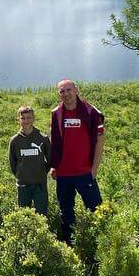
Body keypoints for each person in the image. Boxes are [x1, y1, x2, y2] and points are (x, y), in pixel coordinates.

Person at [49, 79, 104, 244]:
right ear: (59, 94)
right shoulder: (56, 113)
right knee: (66, 213)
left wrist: (94, 169)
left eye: (68, 90)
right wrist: (54, 165)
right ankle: (70, 246)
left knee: (96, 210)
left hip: (84, 172)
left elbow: (100, 142)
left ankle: (101, 244)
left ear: (76, 90)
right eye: (62, 91)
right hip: (64, 174)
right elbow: (55, 141)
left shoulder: (91, 112)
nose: (66, 94)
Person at [8, 105, 51, 215]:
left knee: (42, 215)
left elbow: (50, 160)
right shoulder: (14, 140)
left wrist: (41, 172)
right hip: (23, 185)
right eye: (23, 118)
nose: (26, 121)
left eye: (29, 117)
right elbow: (13, 163)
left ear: (33, 118)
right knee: (24, 215)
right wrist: (20, 175)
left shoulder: (43, 138)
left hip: (40, 184)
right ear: (19, 119)